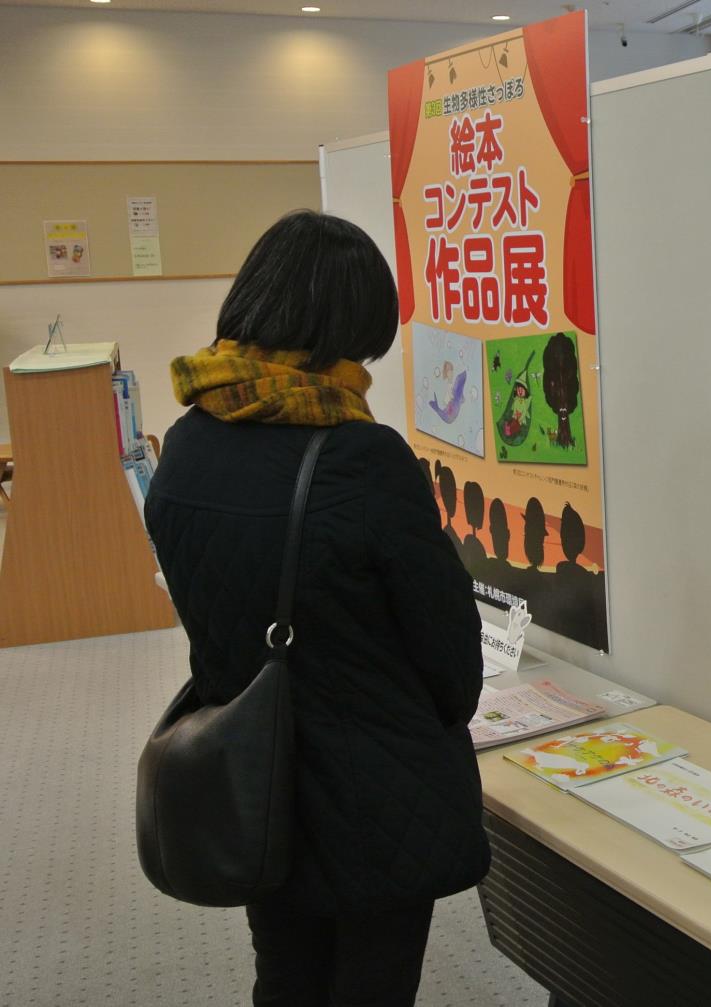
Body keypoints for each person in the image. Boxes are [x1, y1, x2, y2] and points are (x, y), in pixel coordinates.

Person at [145, 210, 489, 1007]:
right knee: (372, 982)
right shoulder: (360, 458)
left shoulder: (188, 441)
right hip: (376, 798)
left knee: (287, 974)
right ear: (339, 329)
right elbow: (451, 661)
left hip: (255, 777)